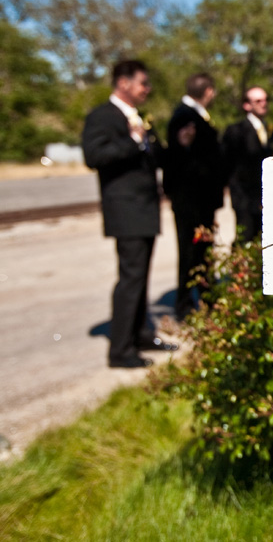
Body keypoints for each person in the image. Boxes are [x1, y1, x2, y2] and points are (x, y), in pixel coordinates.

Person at [82, 59, 179, 368]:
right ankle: (120, 350)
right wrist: (133, 141)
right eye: (143, 83)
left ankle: (140, 334)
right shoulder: (103, 116)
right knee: (130, 278)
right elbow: (94, 155)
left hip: (145, 207)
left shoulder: (139, 118)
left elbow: (155, 157)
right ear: (123, 83)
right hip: (125, 208)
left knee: (141, 276)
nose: (147, 89)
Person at [164, 73, 226, 321]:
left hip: (202, 200)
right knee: (190, 253)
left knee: (203, 252)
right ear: (209, 91)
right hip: (190, 200)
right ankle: (183, 305)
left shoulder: (194, 115)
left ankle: (207, 298)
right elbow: (180, 161)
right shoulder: (184, 117)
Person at [222, 86, 273, 241]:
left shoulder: (271, 130)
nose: (263, 104)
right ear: (247, 105)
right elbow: (227, 163)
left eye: (266, 100)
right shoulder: (235, 131)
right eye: (258, 101)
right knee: (244, 238)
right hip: (243, 197)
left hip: (263, 195)